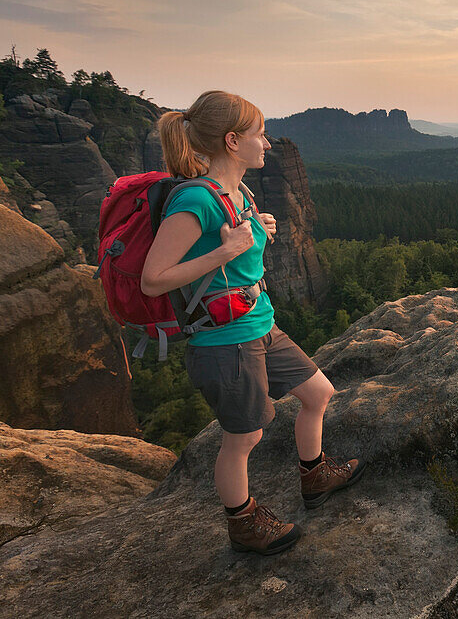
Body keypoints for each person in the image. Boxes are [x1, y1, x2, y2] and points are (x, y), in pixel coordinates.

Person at [141, 90, 364, 555]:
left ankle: (315, 477)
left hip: (260, 323)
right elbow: (152, 280)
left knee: (318, 393)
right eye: (258, 134)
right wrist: (228, 250)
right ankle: (243, 526)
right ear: (231, 141)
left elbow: (236, 249)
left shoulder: (236, 191)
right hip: (225, 340)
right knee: (244, 437)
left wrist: (257, 226)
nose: (266, 142)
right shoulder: (194, 200)